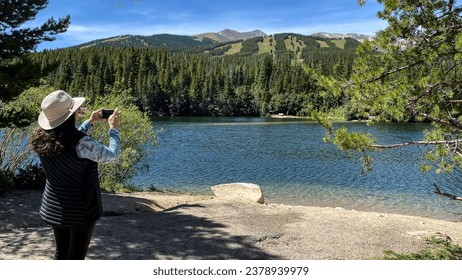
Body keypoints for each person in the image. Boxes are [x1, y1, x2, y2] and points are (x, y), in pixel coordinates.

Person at [30, 90, 121, 260]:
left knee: (61, 253)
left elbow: (66, 141)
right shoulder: (81, 143)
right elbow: (112, 155)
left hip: (55, 206)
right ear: (70, 115)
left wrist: (90, 122)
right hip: (81, 208)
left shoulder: (41, 138)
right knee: (76, 257)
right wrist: (114, 130)